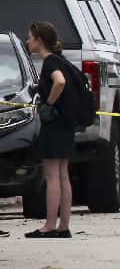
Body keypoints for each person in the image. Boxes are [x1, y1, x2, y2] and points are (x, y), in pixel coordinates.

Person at [26, 22, 75, 239]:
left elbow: (60, 82)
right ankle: (63, 225)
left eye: (30, 38)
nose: (28, 41)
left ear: (39, 40)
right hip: (66, 124)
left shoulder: (50, 63)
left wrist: (48, 104)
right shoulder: (61, 60)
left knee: (52, 175)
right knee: (63, 174)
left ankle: (49, 225)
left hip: (54, 125)